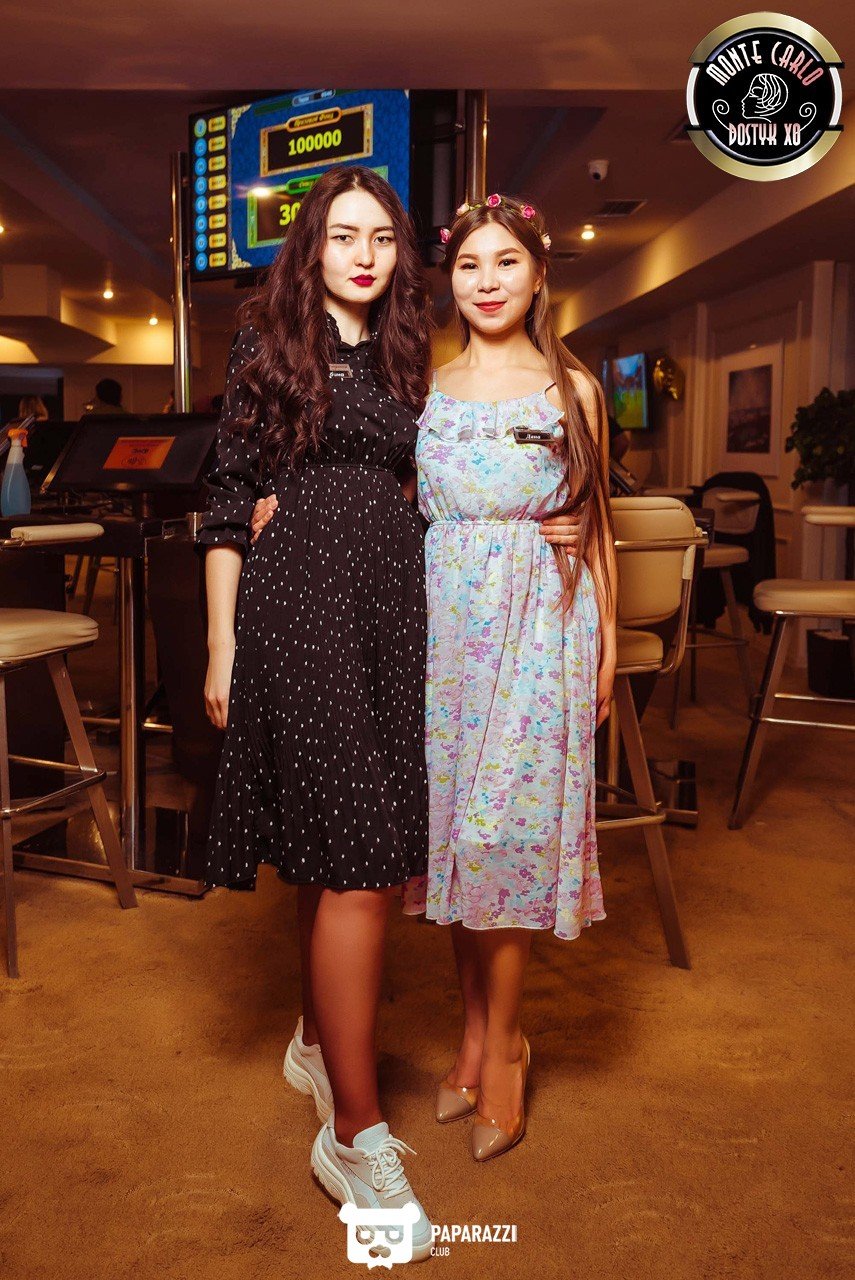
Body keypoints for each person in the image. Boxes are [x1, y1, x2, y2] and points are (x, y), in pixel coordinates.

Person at [197, 164, 438, 1256]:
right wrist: (223, 641)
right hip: (297, 609)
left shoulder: (407, 349)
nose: (364, 254)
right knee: (360, 861)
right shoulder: (267, 341)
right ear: (312, 245)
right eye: (344, 235)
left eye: (381, 237)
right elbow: (225, 500)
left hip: (392, 609)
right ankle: (354, 1133)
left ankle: (312, 1039)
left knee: (340, 837)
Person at [406, 193, 615, 1162]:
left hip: (541, 628)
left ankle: (507, 1050)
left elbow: (596, 523)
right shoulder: (425, 383)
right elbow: (391, 501)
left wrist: (607, 644)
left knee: (504, 835)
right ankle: (474, 1035)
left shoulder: (574, 389)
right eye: (468, 264)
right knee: (455, 838)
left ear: (538, 275)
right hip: (443, 630)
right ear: (449, 278)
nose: (486, 281)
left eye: (506, 262)